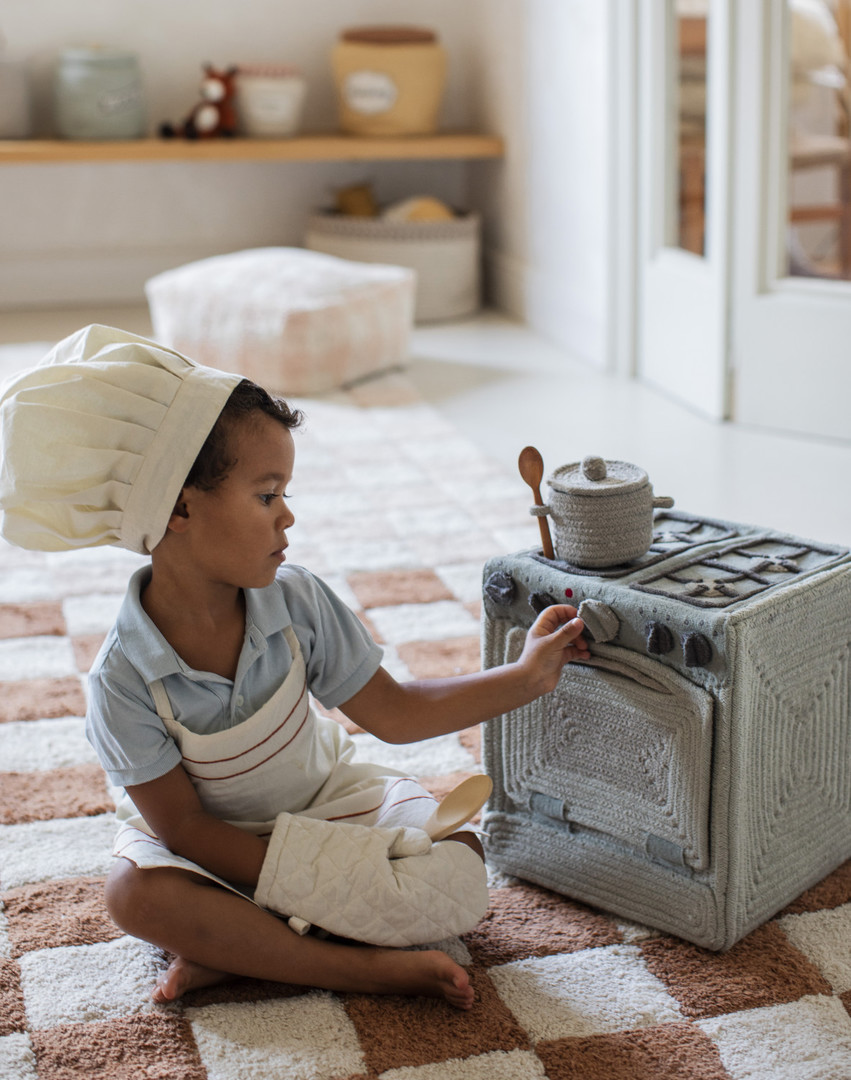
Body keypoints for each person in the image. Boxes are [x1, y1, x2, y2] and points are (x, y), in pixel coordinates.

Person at [0, 325, 589, 1011]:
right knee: (133, 895)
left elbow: (396, 715)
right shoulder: (121, 680)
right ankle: (364, 968)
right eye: (266, 495)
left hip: (332, 805)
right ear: (180, 507)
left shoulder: (297, 600)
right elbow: (185, 831)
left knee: (460, 867)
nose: (288, 517)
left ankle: (250, 951)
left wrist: (525, 677)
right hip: (221, 853)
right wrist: (312, 879)